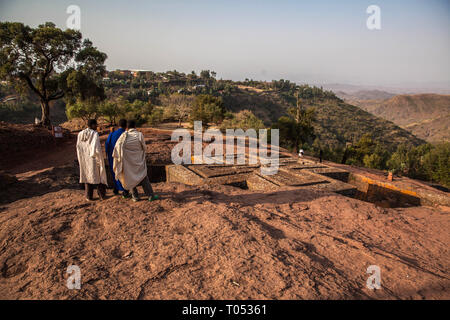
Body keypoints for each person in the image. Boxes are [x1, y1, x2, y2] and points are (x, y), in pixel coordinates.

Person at [113, 120, 160, 202]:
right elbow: (144, 147)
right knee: (144, 177)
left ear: (127, 128)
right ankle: (150, 196)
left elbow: (117, 149)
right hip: (139, 161)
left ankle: (135, 197)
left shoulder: (123, 136)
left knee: (130, 177)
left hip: (128, 162)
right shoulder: (139, 135)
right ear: (135, 127)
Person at [76, 119, 107, 201]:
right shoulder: (94, 134)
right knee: (99, 176)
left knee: (87, 176)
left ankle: (88, 196)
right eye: (96, 125)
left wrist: (81, 159)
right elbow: (96, 148)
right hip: (93, 158)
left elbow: (78, 147)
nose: (96, 127)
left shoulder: (80, 134)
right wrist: (99, 158)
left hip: (84, 159)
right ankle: (102, 195)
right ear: (93, 125)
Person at [105, 119, 130, 198]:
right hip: (123, 157)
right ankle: (125, 190)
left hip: (113, 157)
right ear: (126, 126)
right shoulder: (126, 134)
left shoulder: (112, 134)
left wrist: (108, 156)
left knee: (115, 172)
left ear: (118, 125)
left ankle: (116, 188)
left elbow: (107, 145)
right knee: (124, 173)